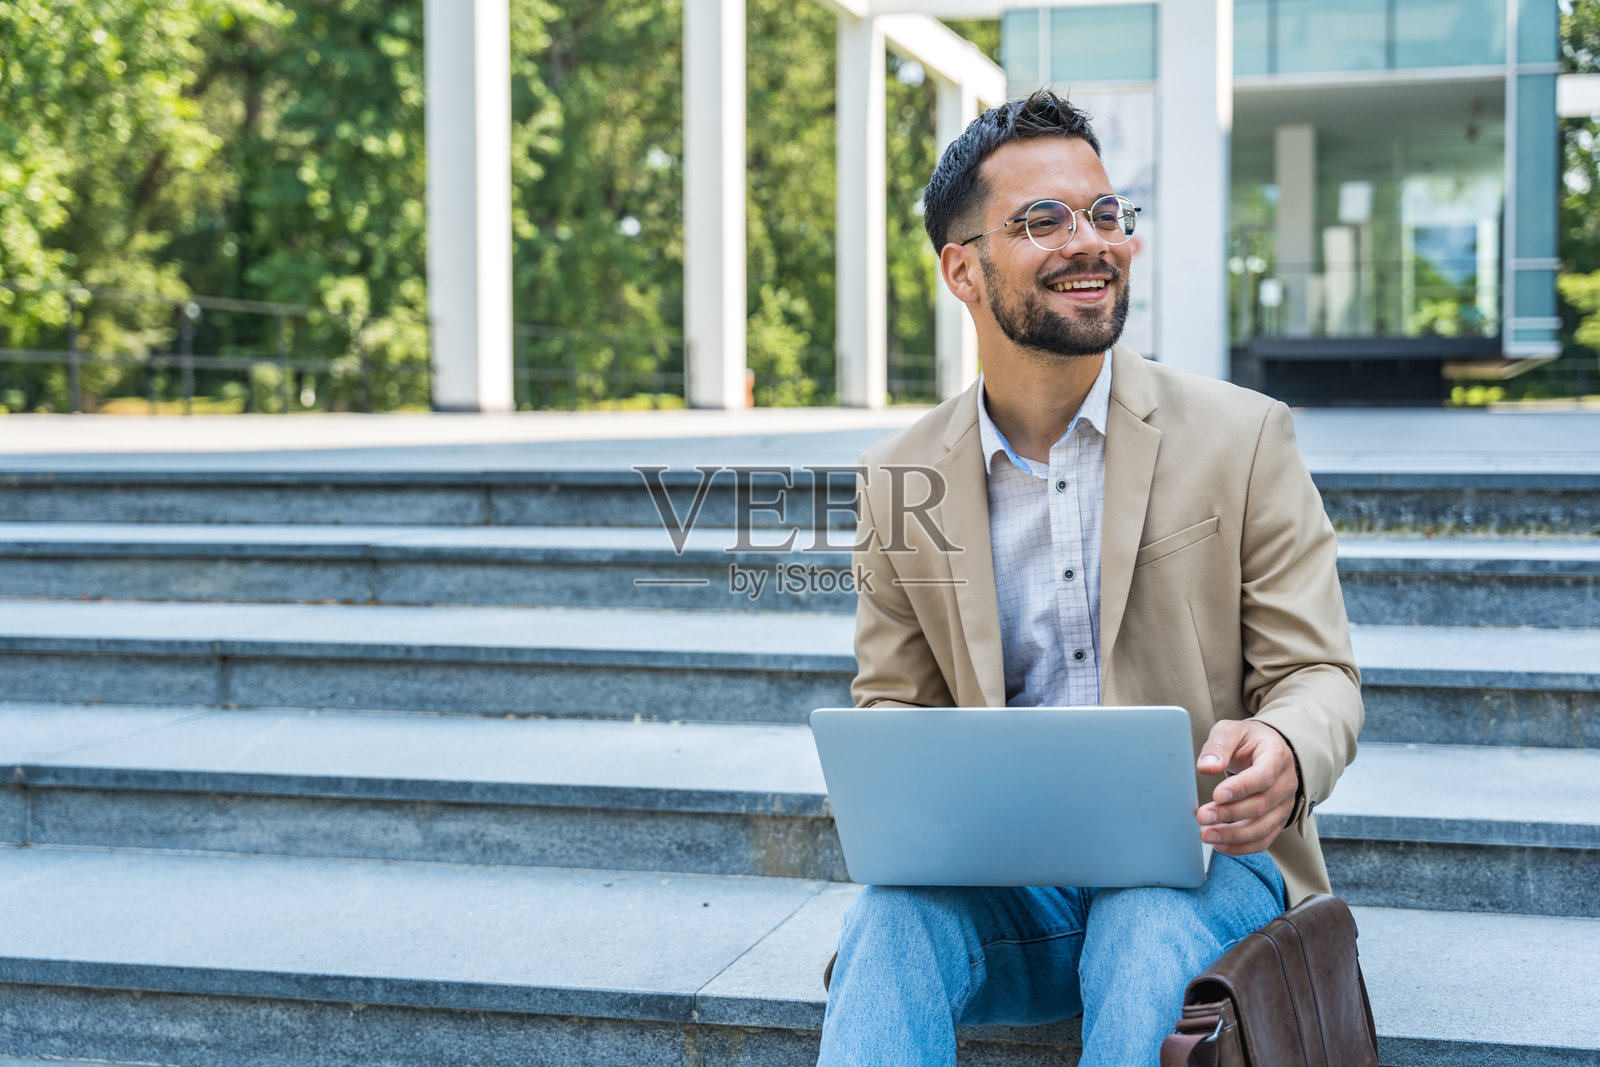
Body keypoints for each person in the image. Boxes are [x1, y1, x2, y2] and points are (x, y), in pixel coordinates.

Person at [817, 90, 1363, 1066]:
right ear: (962, 268)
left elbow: (1318, 675)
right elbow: (893, 701)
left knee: (1144, 919)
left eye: (1105, 214)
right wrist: (900, 778)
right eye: (1044, 220)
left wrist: (1283, 744)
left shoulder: (1243, 436)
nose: (1092, 241)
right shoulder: (897, 478)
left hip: (1207, 865)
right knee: (888, 917)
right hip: (1013, 883)